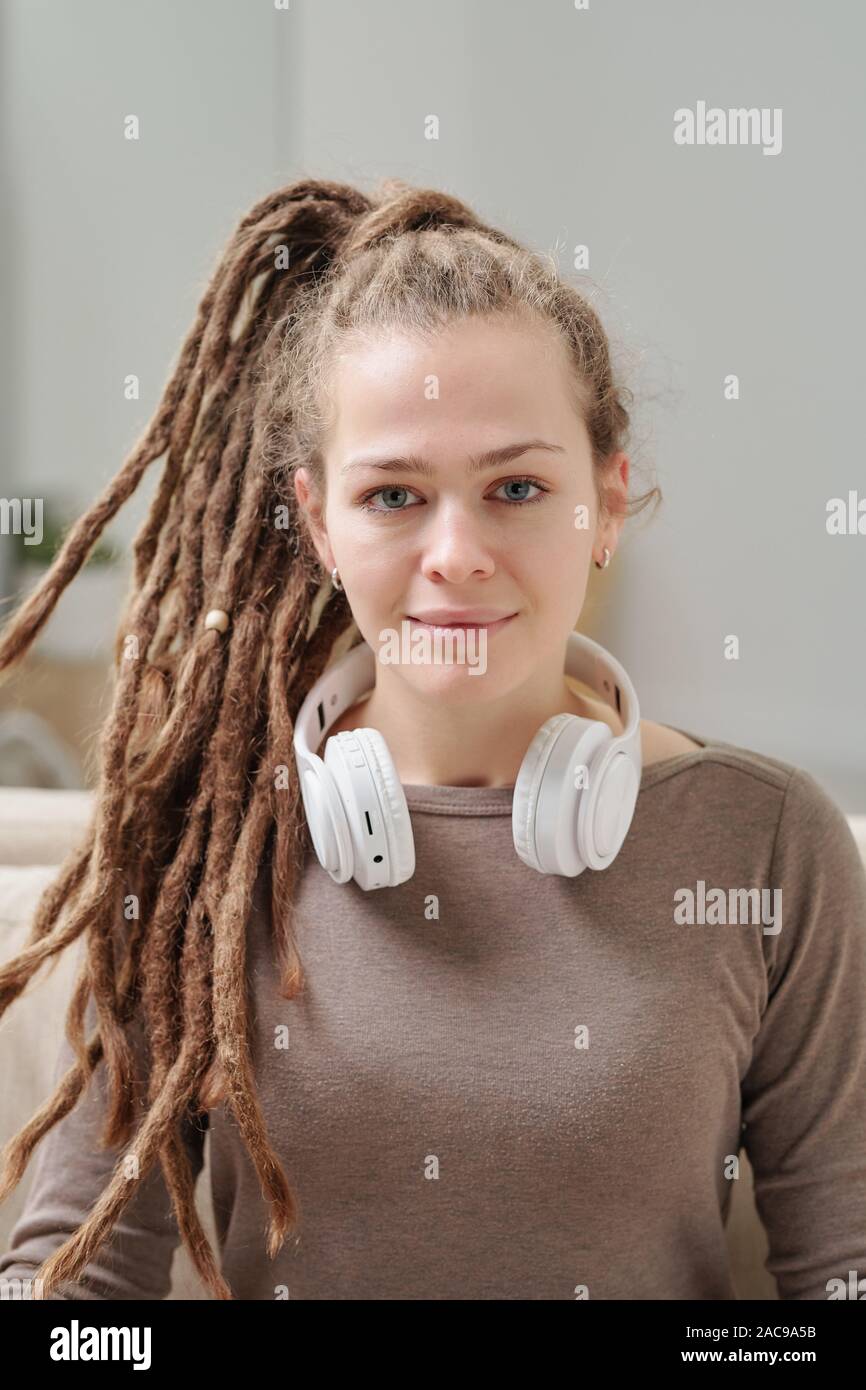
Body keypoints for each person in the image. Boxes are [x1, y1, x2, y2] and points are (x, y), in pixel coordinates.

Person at [0, 177, 864, 1301]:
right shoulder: (197, 854)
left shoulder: (763, 844)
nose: (454, 553)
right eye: (395, 496)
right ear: (316, 521)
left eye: (514, 485)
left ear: (605, 502)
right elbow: (73, 1299)